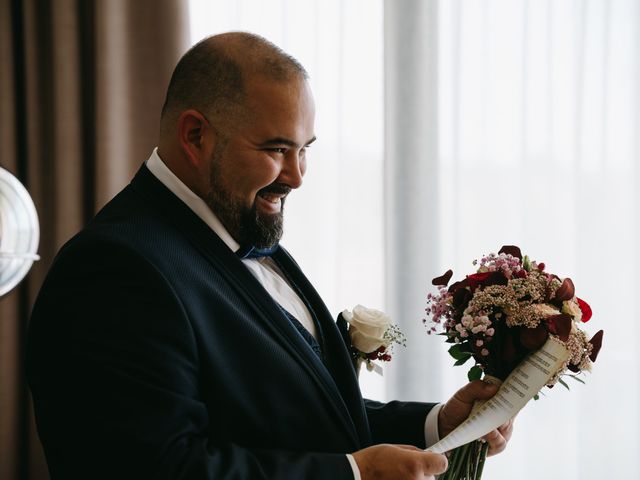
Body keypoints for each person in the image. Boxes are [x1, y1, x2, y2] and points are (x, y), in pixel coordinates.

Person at [27, 32, 512, 479]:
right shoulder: (113, 270)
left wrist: (434, 423)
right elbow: (157, 467)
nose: (297, 175)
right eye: (277, 149)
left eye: (305, 149)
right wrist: (352, 474)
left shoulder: (238, 225)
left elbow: (295, 413)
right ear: (195, 136)